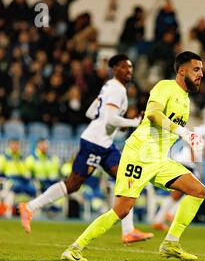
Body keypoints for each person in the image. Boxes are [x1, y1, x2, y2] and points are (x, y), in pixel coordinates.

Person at [61, 51, 205, 261]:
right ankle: (75, 248)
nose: (200, 74)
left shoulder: (185, 100)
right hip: (139, 154)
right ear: (182, 71)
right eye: (196, 69)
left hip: (158, 159)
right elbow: (153, 114)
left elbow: (168, 129)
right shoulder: (165, 87)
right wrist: (184, 132)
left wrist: (188, 138)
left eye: (201, 70)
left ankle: (171, 243)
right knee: (121, 210)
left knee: (198, 190)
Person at [19, 54, 154, 245]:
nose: (129, 71)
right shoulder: (117, 89)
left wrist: (114, 124)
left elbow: (91, 112)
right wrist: (133, 122)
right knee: (73, 184)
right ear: (115, 69)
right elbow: (109, 119)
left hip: (105, 144)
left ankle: (129, 231)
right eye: (125, 67)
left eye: (131, 68)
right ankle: (30, 207)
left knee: (127, 178)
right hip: (94, 143)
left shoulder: (108, 87)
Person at [0, 138, 36, 218]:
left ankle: (30, 215)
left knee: (33, 189)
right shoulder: (2, 158)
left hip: (22, 182)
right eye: (13, 144)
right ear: (9, 145)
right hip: (9, 182)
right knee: (13, 186)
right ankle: (7, 213)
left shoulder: (22, 159)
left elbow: (27, 173)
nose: (15, 146)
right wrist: (7, 180)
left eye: (17, 144)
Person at [25, 138, 61, 213]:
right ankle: (47, 208)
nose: (45, 147)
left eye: (46, 145)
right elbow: (27, 175)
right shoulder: (31, 159)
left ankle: (55, 208)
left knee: (60, 188)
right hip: (39, 184)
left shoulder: (53, 159)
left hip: (52, 183)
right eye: (43, 144)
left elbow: (58, 172)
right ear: (38, 145)